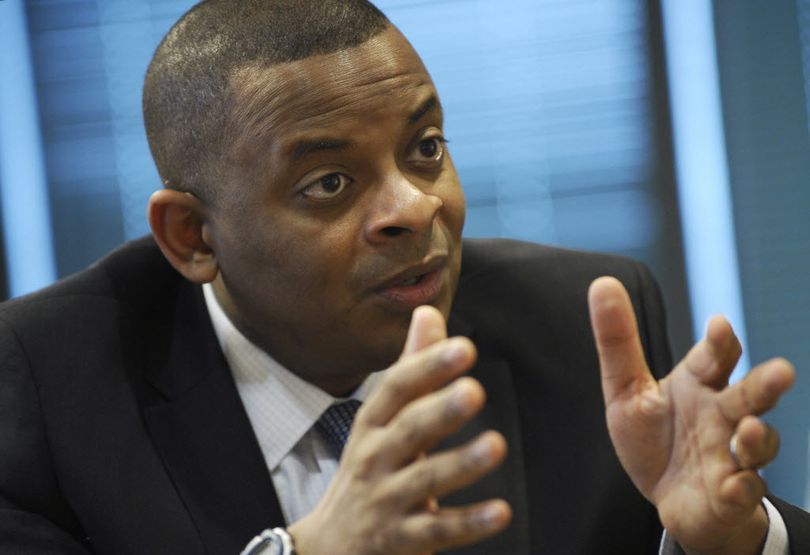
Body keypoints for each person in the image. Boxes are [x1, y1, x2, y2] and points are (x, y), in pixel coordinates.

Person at [0, 0, 807, 553]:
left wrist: (730, 541)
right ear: (193, 235)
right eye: (330, 183)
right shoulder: (46, 382)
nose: (415, 207)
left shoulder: (581, 324)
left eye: (425, 147)